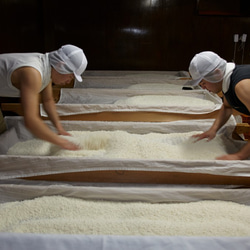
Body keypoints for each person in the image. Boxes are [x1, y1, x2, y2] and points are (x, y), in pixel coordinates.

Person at [0, 44, 88, 150]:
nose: (69, 81)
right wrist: (63, 143)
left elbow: (48, 100)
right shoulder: (33, 73)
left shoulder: (47, 69)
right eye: (70, 76)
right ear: (61, 66)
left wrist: (59, 129)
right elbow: (31, 120)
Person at [188, 51, 250, 160]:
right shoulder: (228, 82)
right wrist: (213, 130)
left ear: (217, 74)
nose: (203, 88)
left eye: (203, 83)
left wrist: (240, 155)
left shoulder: (241, 85)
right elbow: (227, 107)